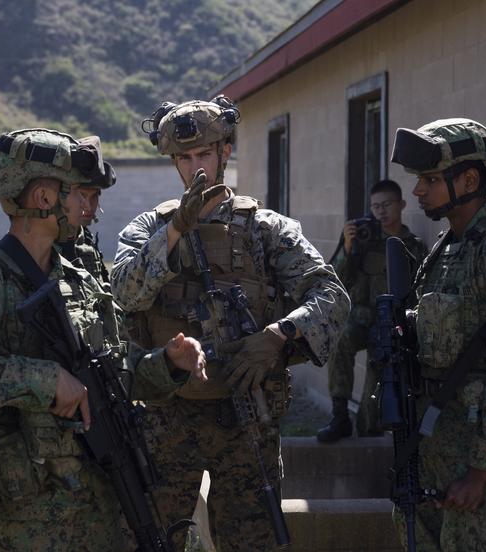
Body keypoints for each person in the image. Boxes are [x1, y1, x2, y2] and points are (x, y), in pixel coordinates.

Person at [0, 128, 207, 551]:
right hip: (27, 519)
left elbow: (114, 375)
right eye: (78, 194)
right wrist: (47, 381)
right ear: (44, 198)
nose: (89, 207)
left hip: (95, 507)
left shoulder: (78, 278)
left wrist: (168, 362)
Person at [111, 96, 350, 550]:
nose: (195, 166)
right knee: (150, 539)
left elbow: (332, 297)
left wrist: (280, 335)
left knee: (252, 541)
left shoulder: (265, 228)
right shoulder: (148, 227)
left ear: (225, 152)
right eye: (184, 157)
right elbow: (122, 292)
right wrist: (175, 232)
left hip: (246, 418)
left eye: (205, 153)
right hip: (166, 416)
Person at [391, 118, 486, 551]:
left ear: (470, 179)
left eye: (430, 179)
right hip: (429, 449)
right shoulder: (443, 251)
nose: (418, 191)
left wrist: (480, 471)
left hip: (478, 464)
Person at [317, 179, 427, 442]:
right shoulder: (364, 238)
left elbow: (421, 290)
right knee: (340, 339)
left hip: (391, 321)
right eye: (375, 206)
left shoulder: (413, 246)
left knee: (379, 365)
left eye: (386, 204)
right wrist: (347, 247)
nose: (381, 212)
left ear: (401, 204)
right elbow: (335, 279)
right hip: (361, 315)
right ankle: (339, 415)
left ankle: (368, 426)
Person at [60, 154, 115, 288]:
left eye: (93, 197)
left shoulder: (86, 239)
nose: (88, 206)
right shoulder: (45, 244)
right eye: (82, 196)